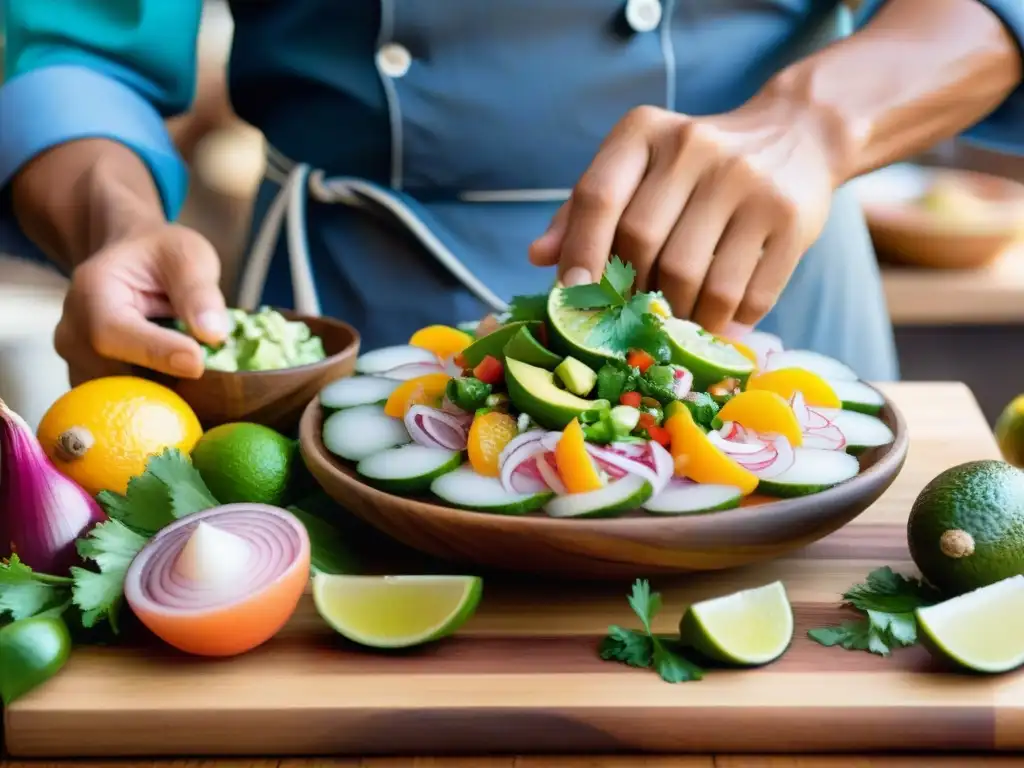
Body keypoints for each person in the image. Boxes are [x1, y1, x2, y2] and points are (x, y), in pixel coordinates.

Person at [1, 0, 1021, 387]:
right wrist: (115, 222)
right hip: (350, 316)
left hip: (765, 308)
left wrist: (816, 119)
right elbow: (78, 44)